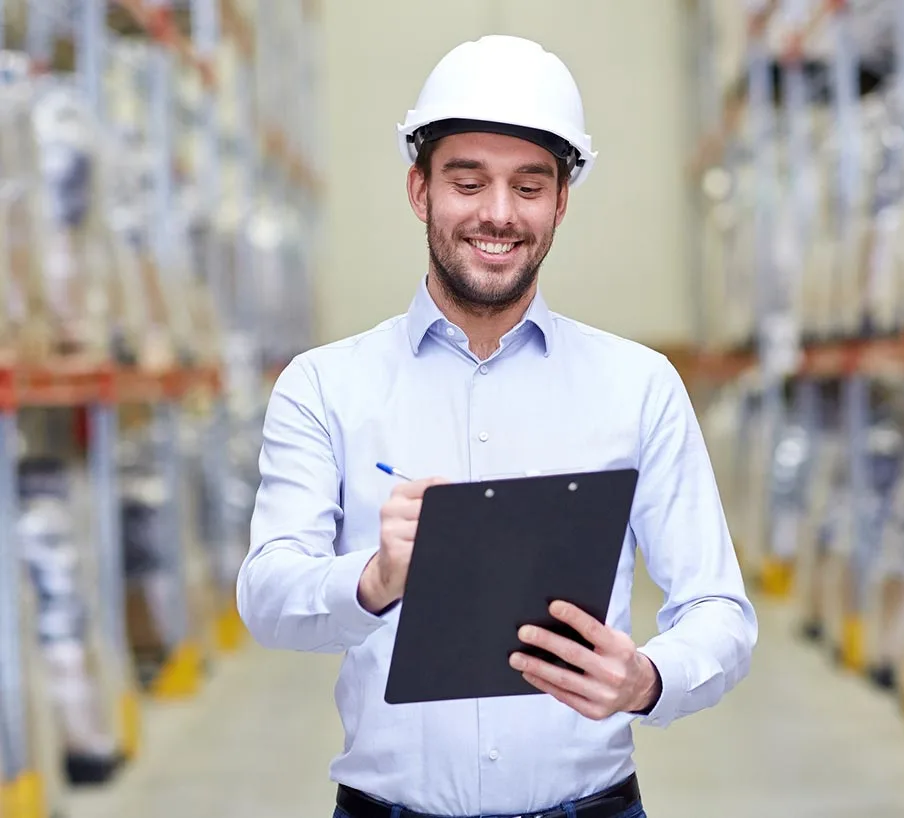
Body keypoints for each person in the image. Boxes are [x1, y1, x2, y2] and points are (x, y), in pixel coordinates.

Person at [236, 33, 757, 818]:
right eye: (467, 182)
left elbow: (719, 611)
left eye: (529, 185)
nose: (499, 214)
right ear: (420, 192)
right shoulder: (325, 386)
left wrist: (648, 679)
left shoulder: (638, 386)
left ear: (560, 201)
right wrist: (375, 578)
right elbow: (268, 595)